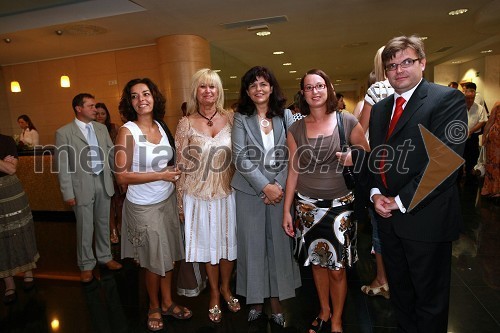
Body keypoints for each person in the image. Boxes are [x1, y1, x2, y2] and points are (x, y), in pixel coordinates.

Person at [368, 35, 467, 333]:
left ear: (422, 63)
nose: (399, 70)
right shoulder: (381, 108)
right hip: (388, 220)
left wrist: (398, 201)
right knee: (401, 297)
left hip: (427, 219)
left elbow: (444, 162)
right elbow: (377, 158)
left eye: (406, 62)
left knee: (429, 301)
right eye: (392, 65)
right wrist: (375, 193)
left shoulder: (445, 99)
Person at [282, 69, 369, 333]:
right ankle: (324, 311)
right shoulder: (295, 128)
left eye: (319, 85)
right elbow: (293, 171)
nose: (315, 91)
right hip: (307, 208)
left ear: (328, 88)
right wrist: (287, 210)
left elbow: (366, 153)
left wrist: (353, 157)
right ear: (303, 93)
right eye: (309, 87)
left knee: (337, 268)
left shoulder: (346, 120)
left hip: (340, 206)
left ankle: (338, 321)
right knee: (317, 264)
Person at [115, 78, 191, 331]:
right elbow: (122, 175)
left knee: (168, 256)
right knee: (151, 259)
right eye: (135, 96)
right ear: (130, 103)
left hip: (166, 200)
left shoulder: (160, 125)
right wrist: (160, 175)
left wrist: (174, 170)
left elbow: (166, 162)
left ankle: (168, 302)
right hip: (143, 206)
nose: (141, 99)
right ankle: (153, 306)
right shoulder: (127, 131)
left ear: (154, 97)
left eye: (146, 93)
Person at [232, 66, 301, 326]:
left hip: (281, 191)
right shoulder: (241, 117)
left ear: (272, 87)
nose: (258, 89)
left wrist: (278, 186)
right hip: (249, 193)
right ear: (247, 92)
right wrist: (264, 186)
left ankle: (277, 302)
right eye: (253, 85)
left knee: (279, 247)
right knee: (252, 247)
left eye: (263, 84)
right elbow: (240, 156)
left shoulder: (286, 116)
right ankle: (256, 301)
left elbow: (294, 153)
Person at [175, 69, 237, 323]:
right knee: (209, 247)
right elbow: (180, 165)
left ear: (219, 91)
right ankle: (213, 293)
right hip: (197, 196)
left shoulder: (232, 119)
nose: (208, 91)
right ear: (196, 91)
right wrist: (180, 203)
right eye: (203, 87)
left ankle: (225, 288)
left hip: (227, 193)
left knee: (227, 246)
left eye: (212, 87)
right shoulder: (185, 123)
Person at [55, 93, 122, 284]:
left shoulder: (101, 129)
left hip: (103, 181)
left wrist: (120, 177)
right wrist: (67, 192)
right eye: (91, 106)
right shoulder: (64, 132)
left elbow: (111, 155)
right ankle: (86, 265)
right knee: (85, 227)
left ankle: (105, 256)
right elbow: (63, 166)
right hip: (81, 186)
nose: (95, 109)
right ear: (79, 108)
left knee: (103, 223)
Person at [359, 46, 394, 300]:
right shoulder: (419, 88)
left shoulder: (377, 90)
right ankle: (398, 280)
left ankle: (383, 279)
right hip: (407, 166)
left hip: (380, 167)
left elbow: (361, 132)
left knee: (380, 227)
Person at [0, 134, 39, 304]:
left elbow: (11, 169)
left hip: (12, 193)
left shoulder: (6, 140)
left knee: (21, 232)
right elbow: (6, 167)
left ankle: (28, 271)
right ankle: (8, 282)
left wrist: (6, 165)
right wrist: (3, 162)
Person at [95, 102, 122, 245]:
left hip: (115, 169)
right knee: (108, 203)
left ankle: (120, 225)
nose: (100, 116)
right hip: (101, 172)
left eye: (103, 113)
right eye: (97, 113)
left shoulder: (114, 128)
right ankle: (112, 229)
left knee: (120, 201)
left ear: (107, 115)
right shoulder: (91, 130)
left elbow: (120, 150)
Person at [463, 85, 488, 184]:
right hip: (460, 136)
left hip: (473, 137)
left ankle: (471, 179)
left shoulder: (479, 108)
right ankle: (459, 177)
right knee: (460, 157)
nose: (469, 100)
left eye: (472, 98)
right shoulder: (460, 107)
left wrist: (471, 131)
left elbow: (482, 121)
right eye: (467, 98)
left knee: (472, 158)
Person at [481, 101, 500, 197]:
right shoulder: (498, 104)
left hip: (496, 135)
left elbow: (490, 122)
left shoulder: (497, 104)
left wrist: (484, 136)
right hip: (496, 137)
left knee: (493, 162)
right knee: (494, 162)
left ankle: (492, 189)